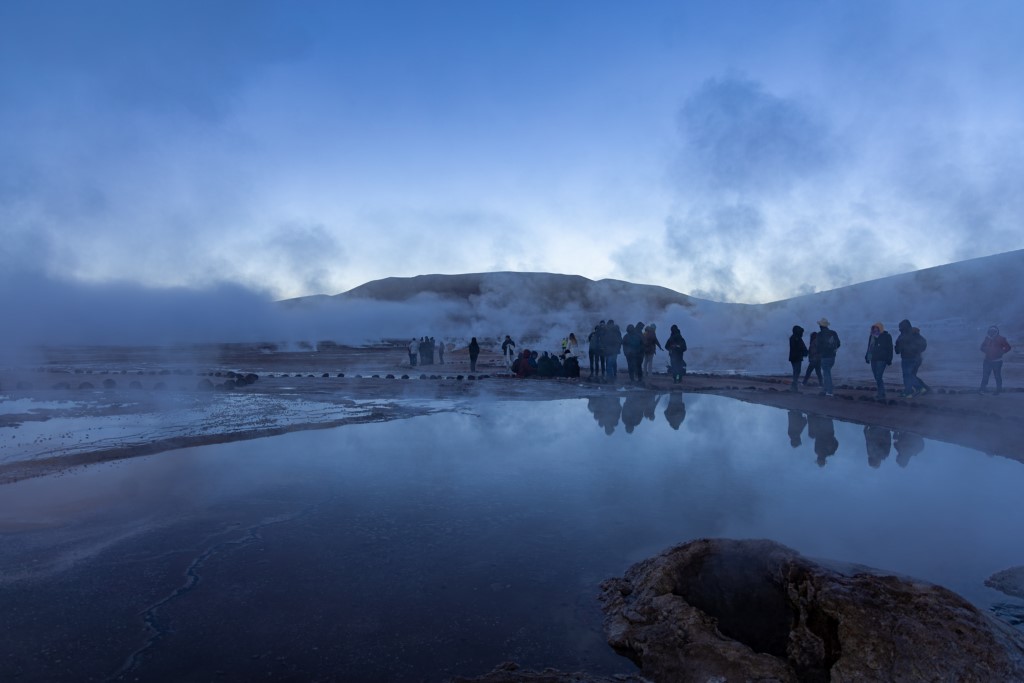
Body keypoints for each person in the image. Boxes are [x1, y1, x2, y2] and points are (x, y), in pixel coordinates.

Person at [894, 319, 929, 397]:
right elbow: (924, 343)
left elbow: (897, 349)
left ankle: (920, 388)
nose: (900, 329)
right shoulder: (915, 333)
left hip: (907, 359)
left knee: (907, 375)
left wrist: (900, 349)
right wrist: (918, 351)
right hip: (917, 358)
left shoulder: (902, 336)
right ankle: (909, 391)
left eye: (900, 327)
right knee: (911, 375)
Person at [864, 322, 894, 400]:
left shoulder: (887, 336)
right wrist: (868, 357)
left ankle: (881, 394)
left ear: (881, 329)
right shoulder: (872, 336)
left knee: (878, 376)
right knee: (876, 377)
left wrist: (889, 359)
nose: (875, 330)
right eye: (874, 329)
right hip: (873, 359)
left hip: (882, 359)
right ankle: (882, 392)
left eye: (877, 329)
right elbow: (870, 348)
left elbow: (890, 348)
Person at [979, 325, 1012, 395]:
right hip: (987, 360)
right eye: (990, 331)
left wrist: (1001, 352)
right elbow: (981, 347)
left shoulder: (1001, 339)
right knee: (985, 375)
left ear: (996, 331)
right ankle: (982, 389)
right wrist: (986, 350)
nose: (991, 332)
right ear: (989, 331)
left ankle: (998, 390)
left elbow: (1008, 347)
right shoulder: (987, 338)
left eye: (993, 331)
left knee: (997, 376)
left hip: (997, 361)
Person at [815, 318, 840, 397]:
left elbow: (818, 346)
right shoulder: (833, 333)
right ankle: (825, 389)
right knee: (827, 372)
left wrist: (819, 353)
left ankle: (829, 391)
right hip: (832, 356)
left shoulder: (820, 334)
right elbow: (838, 343)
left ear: (821, 326)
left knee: (826, 373)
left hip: (825, 356)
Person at [788, 325, 808, 392]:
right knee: (797, 371)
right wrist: (804, 352)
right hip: (796, 357)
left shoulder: (795, 338)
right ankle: (794, 387)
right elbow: (798, 348)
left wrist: (805, 352)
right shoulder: (795, 338)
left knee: (796, 371)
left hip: (795, 357)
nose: (802, 334)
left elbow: (801, 347)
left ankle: (794, 386)